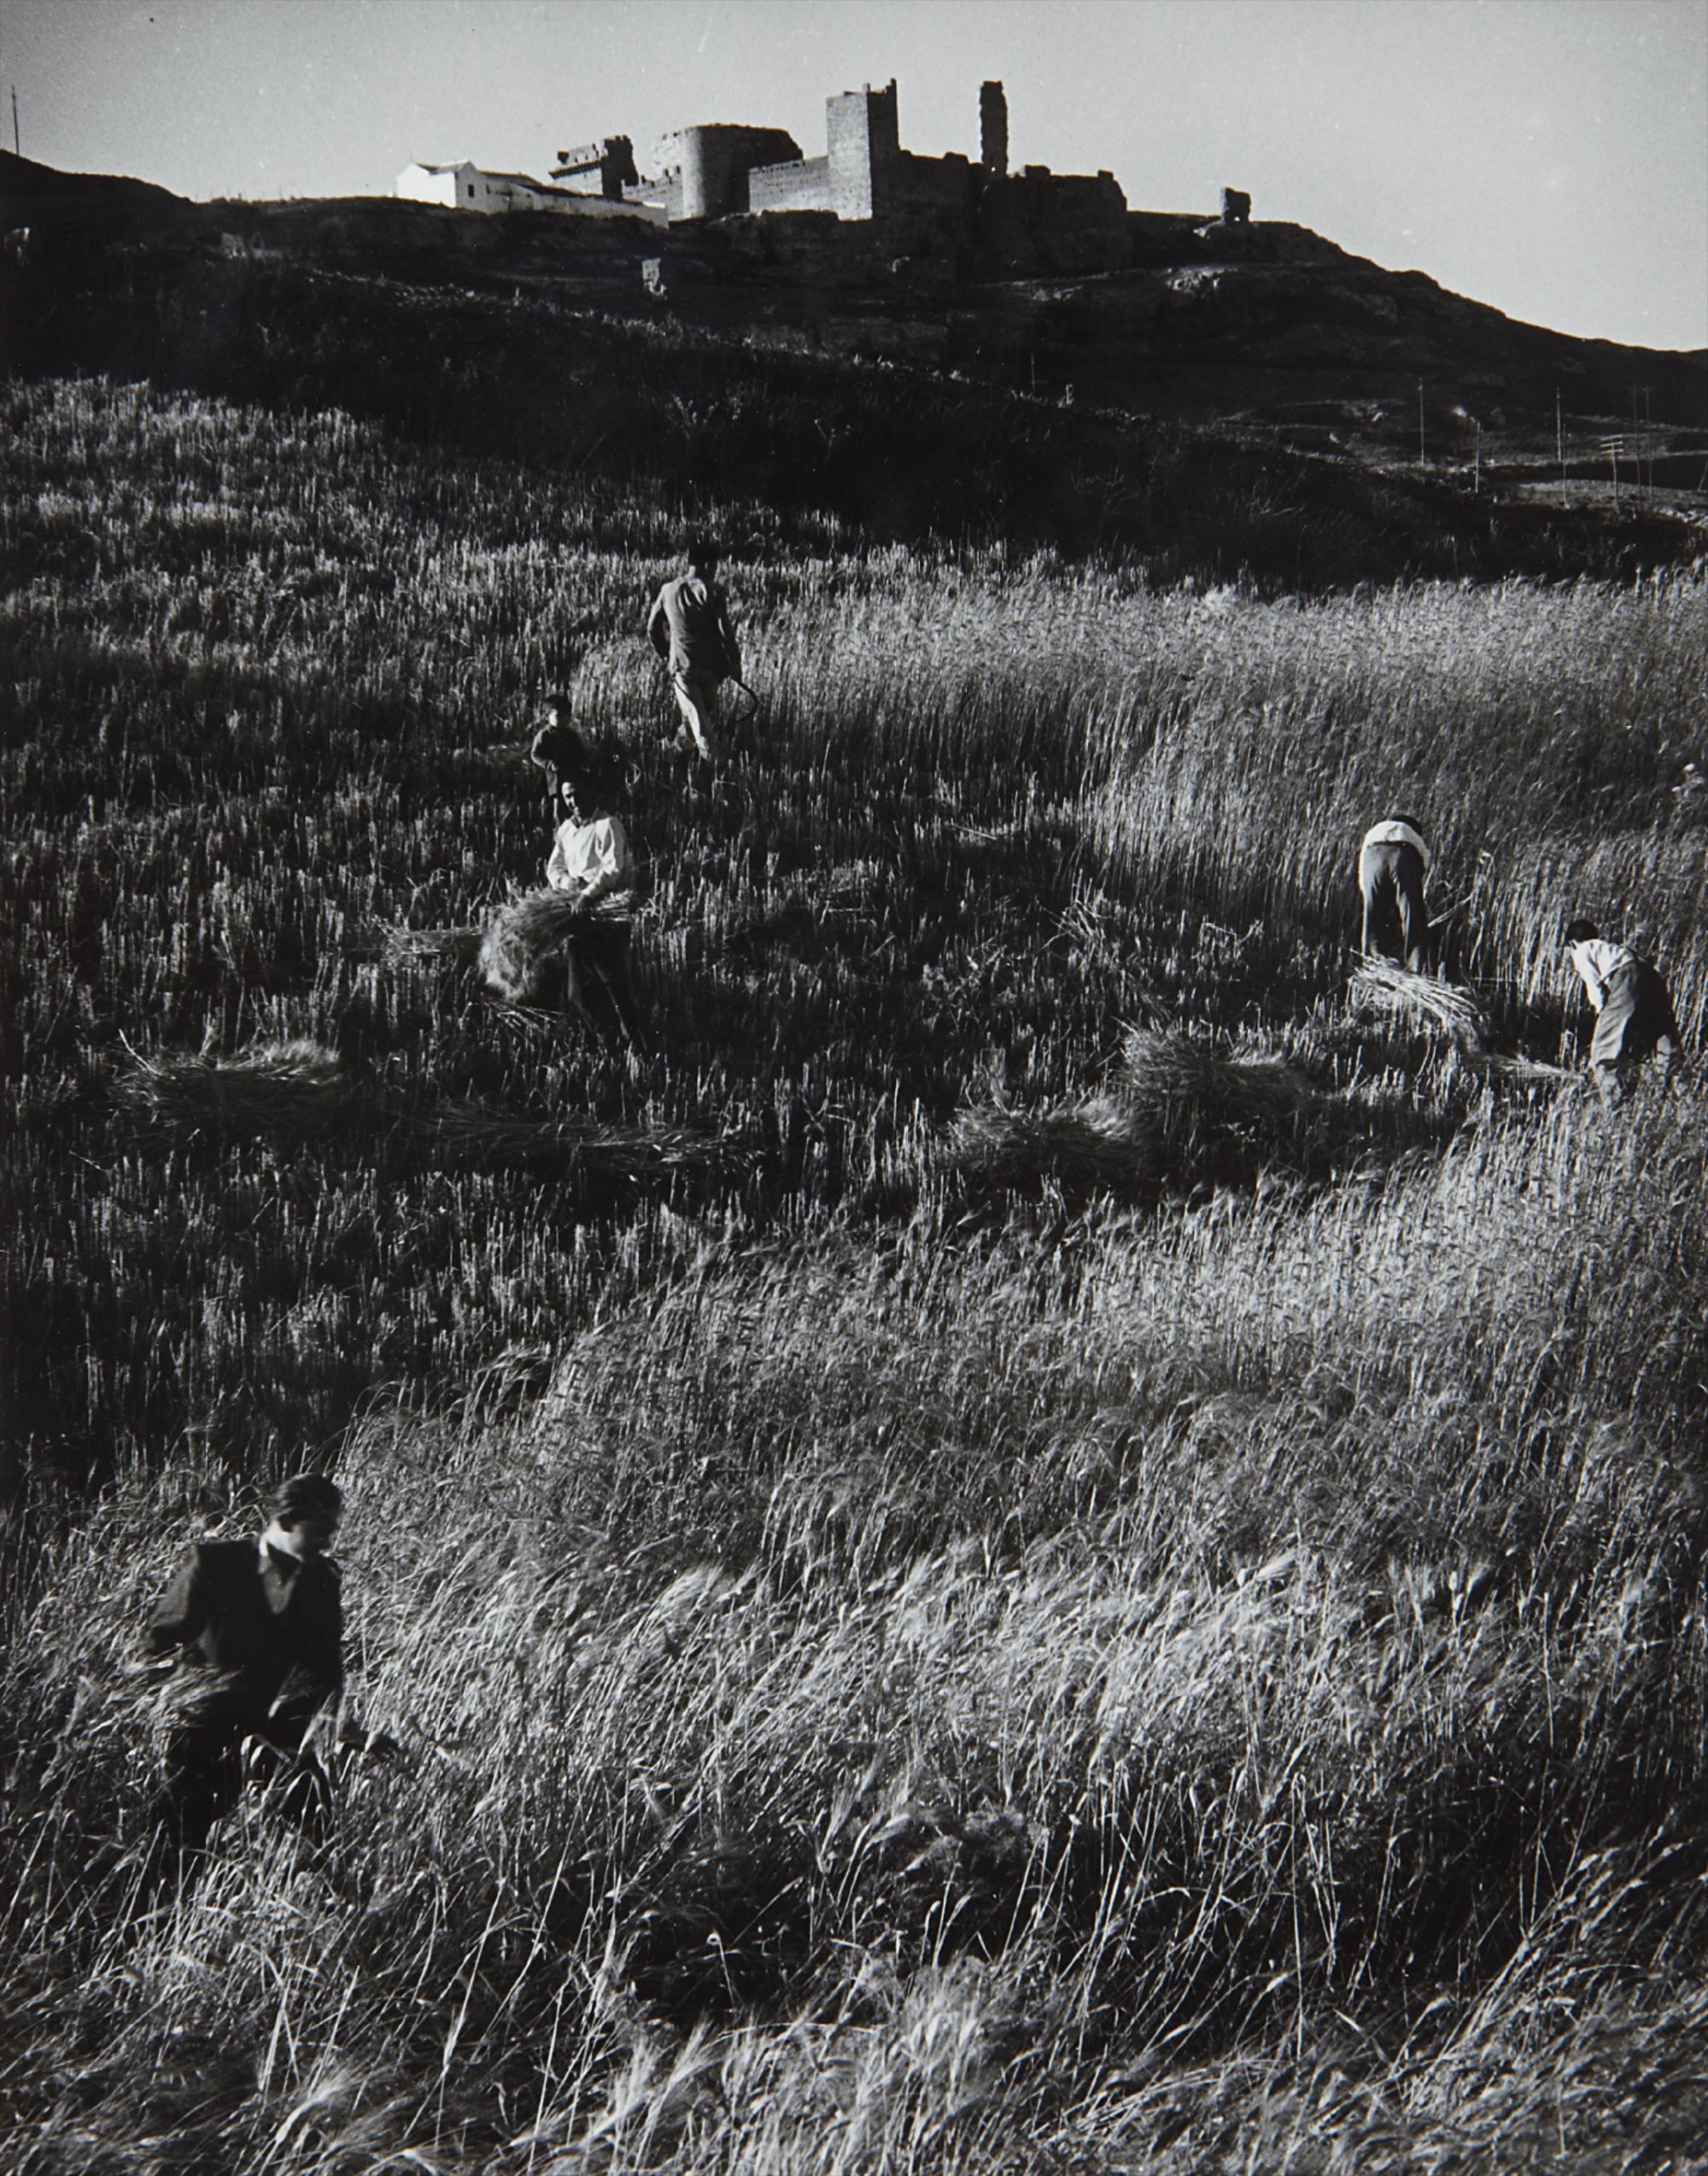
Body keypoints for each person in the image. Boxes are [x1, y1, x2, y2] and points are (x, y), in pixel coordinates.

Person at [142, 1472, 344, 1875]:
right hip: (204, 1733)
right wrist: (168, 1707)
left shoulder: (322, 1579)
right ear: (287, 1520)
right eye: (320, 1531)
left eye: (332, 1532)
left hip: (283, 1734)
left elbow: (326, 1665)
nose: (328, 1542)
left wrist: (333, 1726)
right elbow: (158, 1641)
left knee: (318, 1842)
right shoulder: (214, 1563)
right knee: (177, 1851)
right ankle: (162, 1925)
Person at [544, 732, 648, 1049]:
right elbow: (554, 868)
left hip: (603, 915)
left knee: (615, 985)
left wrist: (587, 895)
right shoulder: (565, 830)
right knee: (579, 991)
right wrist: (567, 885)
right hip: (576, 915)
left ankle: (639, 1046)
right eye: (567, 797)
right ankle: (605, 1044)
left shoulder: (608, 826)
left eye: (576, 794)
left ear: (591, 791)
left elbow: (613, 869)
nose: (572, 802)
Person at [1562, 918, 1683, 1106]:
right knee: (1663, 1035)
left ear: (1572, 943)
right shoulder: (1613, 949)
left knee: (1604, 1051)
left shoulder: (1582, 951)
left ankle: (1614, 1104)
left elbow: (1595, 988)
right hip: (1650, 976)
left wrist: (1603, 1016)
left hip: (1627, 978)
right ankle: (1674, 1094)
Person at [646, 538, 741, 760]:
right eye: (715, 566)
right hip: (711, 668)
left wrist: (665, 653)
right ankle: (716, 772)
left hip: (683, 667)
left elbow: (652, 628)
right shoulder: (714, 591)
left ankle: (675, 761)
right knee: (701, 722)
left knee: (697, 722)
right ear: (708, 565)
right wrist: (735, 662)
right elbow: (726, 633)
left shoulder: (668, 590)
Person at [1359, 815, 1431, 972]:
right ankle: (1415, 967)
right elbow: (1426, 858)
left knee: (1372, 918)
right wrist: (1413, 889)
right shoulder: (1409, 832)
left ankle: (1373, 965)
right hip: (1402, 855)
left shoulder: (1373, 831)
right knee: (1413, 917)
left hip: (1372, 858)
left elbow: (1364, 872)